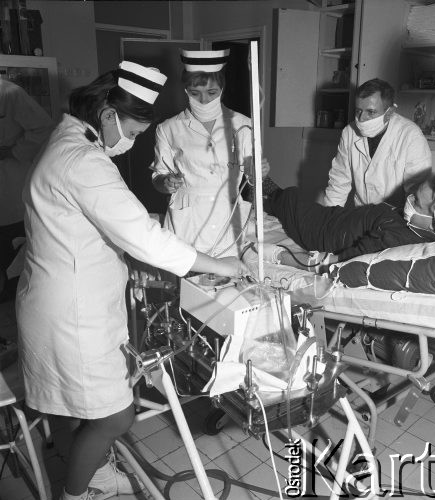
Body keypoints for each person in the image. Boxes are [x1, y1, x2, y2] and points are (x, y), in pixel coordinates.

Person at [16, 61, 248, 500]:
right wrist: (220, 267)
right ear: (108, 116)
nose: (132, 142)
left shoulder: (69, 141)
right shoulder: (83, 161)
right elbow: (143, 236)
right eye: (134, 132)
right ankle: (77, 494)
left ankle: (95, 478)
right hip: (72, 310)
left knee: (72, 407)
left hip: (61, 297)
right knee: (113, 417)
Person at [151, 48, 269, 258]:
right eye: (195, 93)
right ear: (185, 90)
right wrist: (166, 182)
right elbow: (158, 178)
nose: (204, 100)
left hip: (229, 220)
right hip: (187, 225)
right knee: (188, 285)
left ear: (222, 89)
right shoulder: (169, 128)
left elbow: (254, 179)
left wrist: (258, 172)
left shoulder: (244, 125)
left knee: (227, 283)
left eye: (211, 93)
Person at [263, 166, 435, 269]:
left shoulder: (403, 239)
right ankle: (259, 190)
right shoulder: (411, 225)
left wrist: (306, 261)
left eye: (417, 201)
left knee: (291, 198)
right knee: (292, 199)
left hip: (324, 233)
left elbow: (349, 257)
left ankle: (254, 192)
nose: (410, 199)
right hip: (338, 218)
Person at [323, 78, 431, 209]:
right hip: (362, 214)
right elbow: (339, 182)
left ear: (389, 112)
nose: (361, 118)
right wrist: (329, 219)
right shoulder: (349, 133)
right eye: (358, 111)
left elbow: (416, 195)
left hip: (397, 217)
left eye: (371, 112)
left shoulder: (411, 136)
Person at [0, 79, 54, 302]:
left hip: (9, 189)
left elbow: (43, 127)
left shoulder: (9, 93)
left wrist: (14, 151)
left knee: (11, 264)